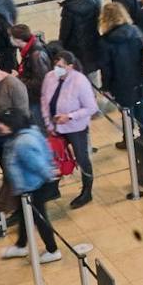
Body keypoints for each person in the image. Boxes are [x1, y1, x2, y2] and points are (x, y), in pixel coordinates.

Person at [0, 107, 61, 263]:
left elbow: (37, 165)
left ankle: (53, 250)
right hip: (27, 186)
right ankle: (20, 245)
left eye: (3, 123)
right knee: (25, 216)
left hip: (33, 186)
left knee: (40, 218)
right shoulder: (27, 133)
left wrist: (49, 176)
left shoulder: (23, 142)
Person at [41, 50, 97, 208]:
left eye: (61, 66)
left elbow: (91, 107)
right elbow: (44, 100)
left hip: (76, 128)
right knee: (55, 157)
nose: (57, 69)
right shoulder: (50, 77)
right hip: (55, 126)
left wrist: (70, 116)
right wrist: (48, 123)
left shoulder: (80, 81)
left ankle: (87, 191)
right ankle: (53, 189)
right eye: (55, 65)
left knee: (81, 157)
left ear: (70, 67)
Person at [98, 1, 143, 142]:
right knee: (140, 108)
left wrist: (106, 87)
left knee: (127, 112)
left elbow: (106, 68)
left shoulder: (106, 41)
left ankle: (128, 139)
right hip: (140, 79)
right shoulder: (136, 31)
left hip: (120, 83)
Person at [58, 0, 102, 78]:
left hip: (75, 48)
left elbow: (65, 32)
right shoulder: (92, 2)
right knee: (91, 75)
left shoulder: (69, 8)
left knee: (78, 77)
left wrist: (61, 46)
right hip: (91, 45)